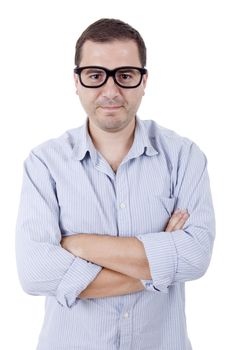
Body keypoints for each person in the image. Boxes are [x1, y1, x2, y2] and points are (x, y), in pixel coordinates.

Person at [15, 18, 215, 350]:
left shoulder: (184, 157)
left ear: (143, 80)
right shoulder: (44, 164)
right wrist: (159, 263)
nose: (111, 91)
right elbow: (35, 272)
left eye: (125, 75)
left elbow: (195, 257)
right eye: (96, 76)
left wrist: (79, 245)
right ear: (76, 81)